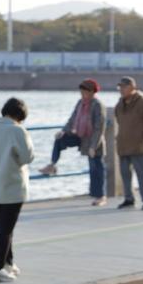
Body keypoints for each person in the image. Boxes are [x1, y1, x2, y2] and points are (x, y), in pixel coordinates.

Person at [0, 96, 34, 282]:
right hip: (12, 187)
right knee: (5, 230)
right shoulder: (17, 130)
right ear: (20, 115)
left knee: (4, 227)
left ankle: (9, 263)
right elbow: (27, 157)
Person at [39, 78, 107, 206]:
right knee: (59, 140)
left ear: (92, 92)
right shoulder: (80, 103)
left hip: (93, 140)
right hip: (80, 136)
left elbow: (99, 128)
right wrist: (63, 131)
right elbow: (72, 119)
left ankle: (100, 196)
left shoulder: (98, 105)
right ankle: (52, 165)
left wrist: (93, 146)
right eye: (81, 91)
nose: (82, 93)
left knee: (96, 168)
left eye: (84, 91)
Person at [114, 76, 143, 211]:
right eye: (120, 87)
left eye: (124, 87)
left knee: (142, 174)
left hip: (138, 145)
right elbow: (118, 120)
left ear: (132, 88)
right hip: (123, 144)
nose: (121, 89)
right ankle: (129, 199)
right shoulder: (119, 104)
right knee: (125, 174)